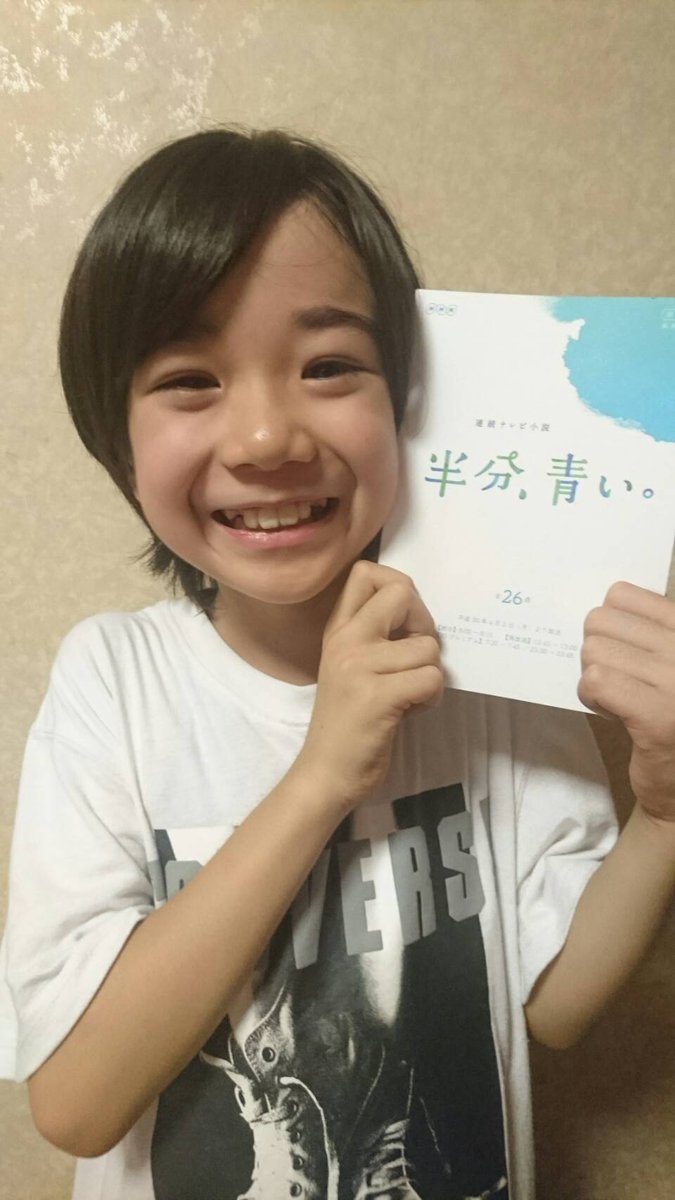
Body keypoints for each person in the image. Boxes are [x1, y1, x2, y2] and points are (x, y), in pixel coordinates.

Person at [1, 127, 674, 1200]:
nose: (266, 437)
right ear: (116, 439)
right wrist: (321, 776)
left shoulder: (493, 668)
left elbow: (552, 1006)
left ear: (409, 402)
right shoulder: (115, 682)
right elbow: (76, 1102)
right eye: (190, 378)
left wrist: (666, 810)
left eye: (328, 366)